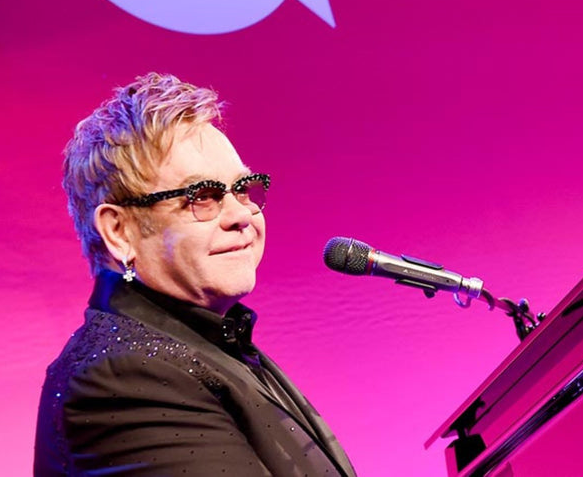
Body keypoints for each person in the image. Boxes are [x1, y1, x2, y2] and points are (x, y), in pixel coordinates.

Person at [34, 72, 357, 476]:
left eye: (242, 188)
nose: (242, 215)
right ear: (120, 231)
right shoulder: (123, 379)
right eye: (202, 196)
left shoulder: (210, 347)